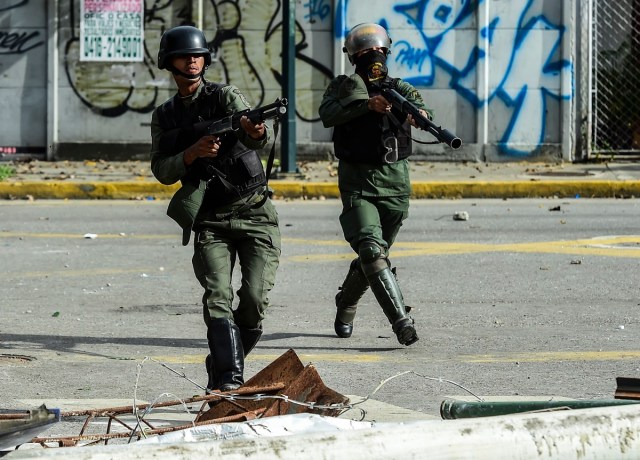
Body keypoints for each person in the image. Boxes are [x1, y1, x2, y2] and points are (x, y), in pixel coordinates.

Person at [149, 25, 281, 391]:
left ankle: (220, 361)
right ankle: (229, 380)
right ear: (169, 63)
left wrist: (254, 131)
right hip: (211, 219)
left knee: (253, 300)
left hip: (254, 211)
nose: (192, 60)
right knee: (218, 298)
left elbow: (256, 132)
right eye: (184, 56)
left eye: (198, 55)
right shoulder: (165, 116)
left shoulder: (224, 96)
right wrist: (192, 153)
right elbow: (161, 169)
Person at [318, 23, 433, 346]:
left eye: (378, 52)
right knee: (370, 248)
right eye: (366, 53)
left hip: (395, 186)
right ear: (354, 57)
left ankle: (346, 303)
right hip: (358, 184)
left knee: (375, 256)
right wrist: (366, 105)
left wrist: (417, 115)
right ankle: (401, 322)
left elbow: (421, 107)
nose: (373, 58)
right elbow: (327, 113)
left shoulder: (400, 88)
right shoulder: (344, 87)